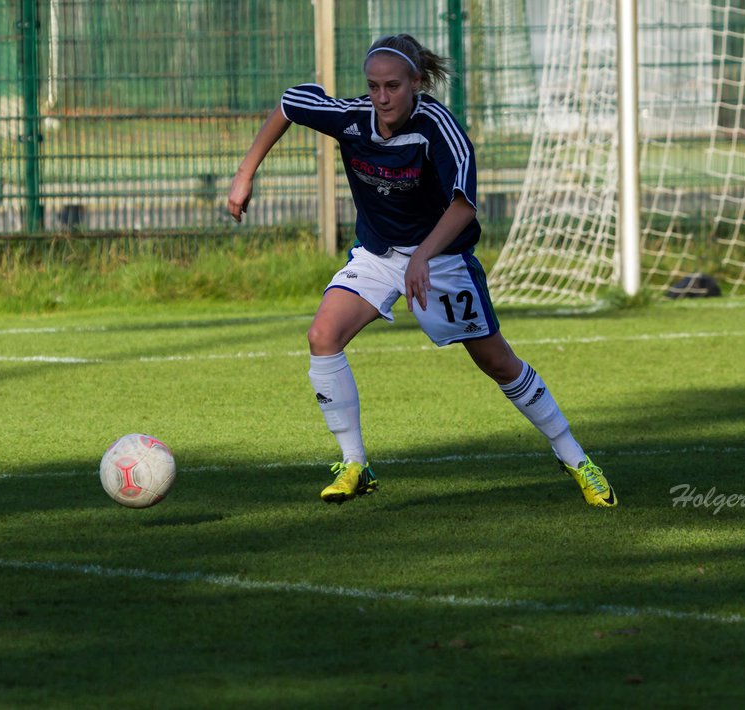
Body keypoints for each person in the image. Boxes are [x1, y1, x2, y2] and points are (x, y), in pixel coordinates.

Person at [227, 34, 616, 508]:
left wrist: (422, 257)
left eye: (393, 86)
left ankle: (575, 457)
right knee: (322, 336)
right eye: (373, 87)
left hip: (442, 260)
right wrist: (246, 173)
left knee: (496, 362)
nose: (383, 97)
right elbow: (292, 103)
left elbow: (463, 206)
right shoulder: (353, 120)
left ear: (416, 82)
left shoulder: (438, 127)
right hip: (377, 255)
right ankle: (355, 464)